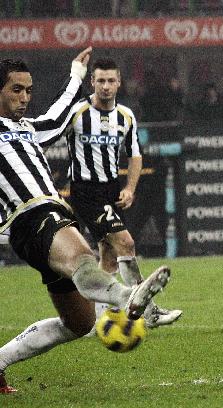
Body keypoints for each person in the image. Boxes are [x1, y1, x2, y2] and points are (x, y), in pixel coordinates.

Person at [0, 48, 172, 394]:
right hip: (30, 214)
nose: (24, 97)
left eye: (29, 90)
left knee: (79, 323)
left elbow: (60, 117)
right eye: (16, 89)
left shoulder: (29, 129)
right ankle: (129, 297)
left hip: (48, 217)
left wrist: (77, 76)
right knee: (84, 258)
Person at [42, 57, 182, 329]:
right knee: (126, 243)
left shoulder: (126, 117)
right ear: (92, 82)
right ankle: (149, 311)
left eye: (111, 81)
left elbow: (135, 155)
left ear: (119, 83)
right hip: (84, 191)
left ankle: (97, 320)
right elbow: (49, 135)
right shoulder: (77, 113)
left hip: (111, 190)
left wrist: (130, 187)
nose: (106, 86)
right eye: (100, 81)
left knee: (107, 255)